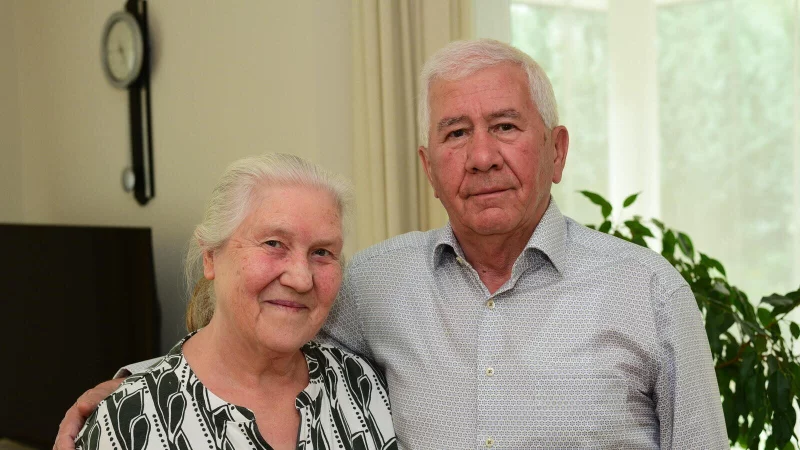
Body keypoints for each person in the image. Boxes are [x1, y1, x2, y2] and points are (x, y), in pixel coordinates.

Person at [58, 39, 727, 449]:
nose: (483, 156)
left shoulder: (648, 292)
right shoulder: (372, 285)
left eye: (505, 126)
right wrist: (136, 390)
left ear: (556, 151)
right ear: (428, 166)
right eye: (456, 133)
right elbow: (259, 338)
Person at [72, 153, 397, 450]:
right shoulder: (127, 424)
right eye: (274, 243)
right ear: (211, 257)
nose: (301, 278)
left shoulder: (362, 386)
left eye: (322, 252)